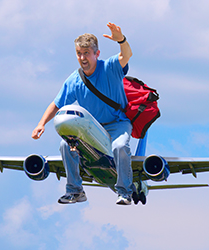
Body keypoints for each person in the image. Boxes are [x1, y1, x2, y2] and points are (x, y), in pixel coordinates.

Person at [31, 22, 133, 205]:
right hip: (92, 128)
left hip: (117, 123)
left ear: (97, 54)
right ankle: (75, 191)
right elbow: (56, 104)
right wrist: (41, 123)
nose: (82, 58)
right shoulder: (74, 80)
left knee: (119, 147)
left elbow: (126, 55)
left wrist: (121, 40)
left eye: (86, 53)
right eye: (79, 53)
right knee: (65, 146)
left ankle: (125, 191)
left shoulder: (110, 67)